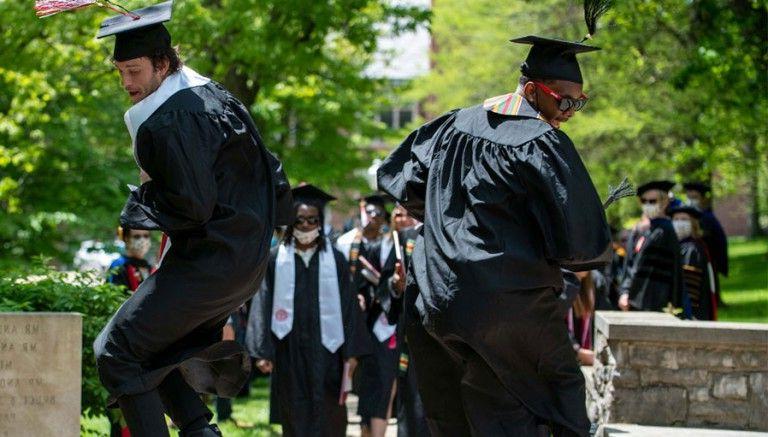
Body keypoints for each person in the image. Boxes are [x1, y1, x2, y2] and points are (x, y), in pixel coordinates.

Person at [378, 34, 611, 436]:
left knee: (461, 415)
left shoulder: (452, 125)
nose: (571, 112)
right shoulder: (541, 142)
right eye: (565, 101)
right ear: (534, 91)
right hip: (506, 304)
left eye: (579, 102)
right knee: (560, 396)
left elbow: (400, 178)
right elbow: (581, 245)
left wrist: (452, 223)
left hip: (434, 299)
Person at [91, 2, 292, 436]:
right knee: (157, 353)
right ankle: (201, 431)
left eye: (135, 71)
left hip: (210, 262)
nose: (126, 82)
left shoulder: (173, 120)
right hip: (244, 263)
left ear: (162, 64)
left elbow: (191, 207)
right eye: (120, 71)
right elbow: (274, 172)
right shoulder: (217, 97)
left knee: (116, 350)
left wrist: (144, 192)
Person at [246, 184, 370, 437]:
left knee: (330, 412)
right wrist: (262, 351)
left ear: (319, 222)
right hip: (288, 348)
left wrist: (352, 351)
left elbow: (348, 306)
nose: (305, 225)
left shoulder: (335, 259)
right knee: (294, 408)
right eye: (299, 219)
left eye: (312, 220)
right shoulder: (273, 258)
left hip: (329, 351)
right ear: (291, 222)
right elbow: (263, 302)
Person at [343, 195, 402, 437]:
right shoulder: (346, 243)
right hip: (356, 323)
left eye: (378, 213)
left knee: (383, 378)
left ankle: (375, 431)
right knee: (360, 381)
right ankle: (364, 428)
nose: (373, 217)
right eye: (369, 212)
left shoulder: (393, 244)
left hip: (384, 323)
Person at [388, 205, 430, 437]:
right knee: (412, 394)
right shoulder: (404, 240)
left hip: (443, 331)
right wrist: (397, 284)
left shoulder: (451, 236)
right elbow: (390, 285)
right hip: (413, 331)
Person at [618, 181, 683, 313]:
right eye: (644, 201)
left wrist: (628, 293)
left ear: (664, 202)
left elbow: (649, 270)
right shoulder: (646, 231)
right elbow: (630, 266)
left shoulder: (665, 232)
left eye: (652, 201)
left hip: (653, 303)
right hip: (636, 300)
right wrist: (625, 291)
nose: (647, 205)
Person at [668, 205, 717, 320]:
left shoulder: (691, 249)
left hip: (692, 313)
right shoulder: (682, 246)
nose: (679, 223)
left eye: (684, 219)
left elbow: (690, 290)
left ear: (693, 223)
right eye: (676, 219)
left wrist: (687, 314)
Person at [683, 182, 728, 306]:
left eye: (695, 197)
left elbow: (717, 237)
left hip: (708, 254)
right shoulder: (683, 214)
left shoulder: (707, 217)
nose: (691, 200)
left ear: (702, 198)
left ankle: (715, 300)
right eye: (689, 196)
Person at [107, 226, 155, 293]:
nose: (143, 240)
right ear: (126, 239)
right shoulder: (118, 266)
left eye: (146, 236)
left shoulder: (150, 268)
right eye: (137, 236)